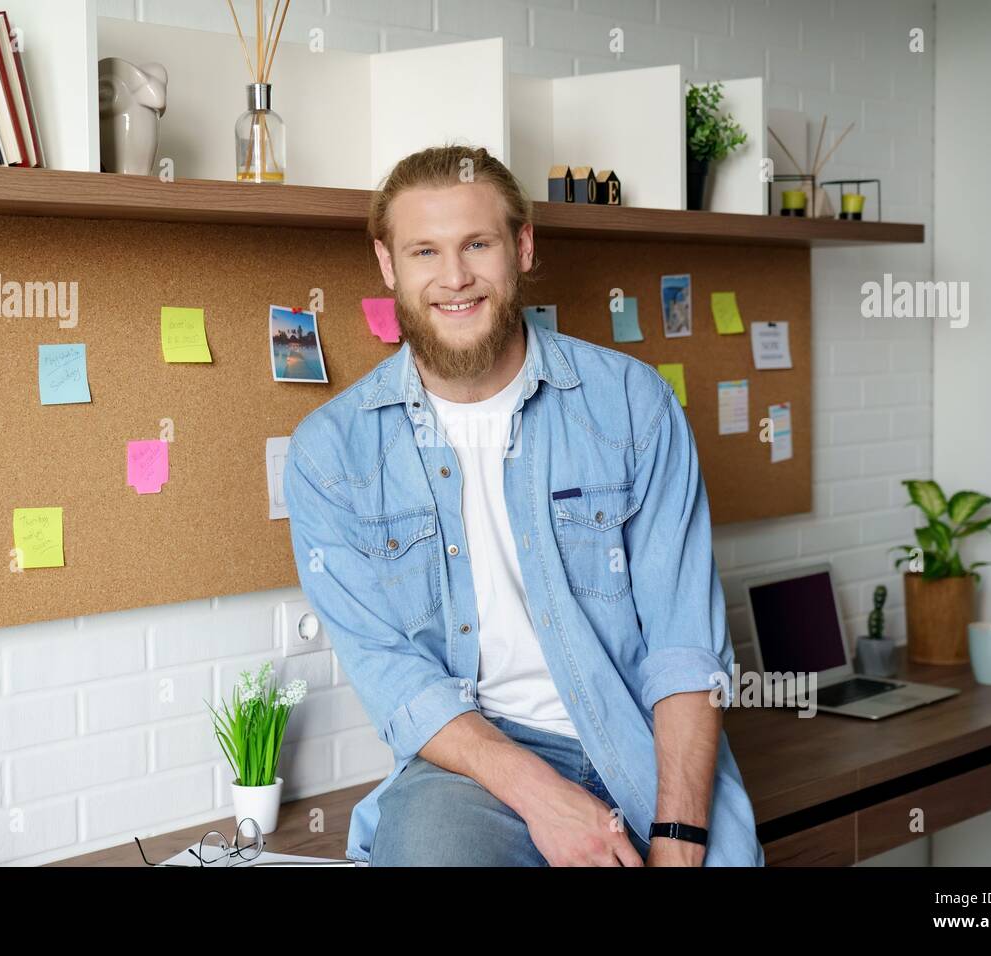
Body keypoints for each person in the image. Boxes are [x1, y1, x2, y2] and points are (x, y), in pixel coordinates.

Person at [283, 144, 763, 867]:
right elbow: (397, 682)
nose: (454, 278)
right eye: (424, 251)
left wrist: (680, 840)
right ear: (388, 265)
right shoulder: (330, 454)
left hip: (640, 741)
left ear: (523, 247)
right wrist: (545, 799)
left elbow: (685, 648)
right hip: (477, 764)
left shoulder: (633, 404)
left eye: (477, 243)